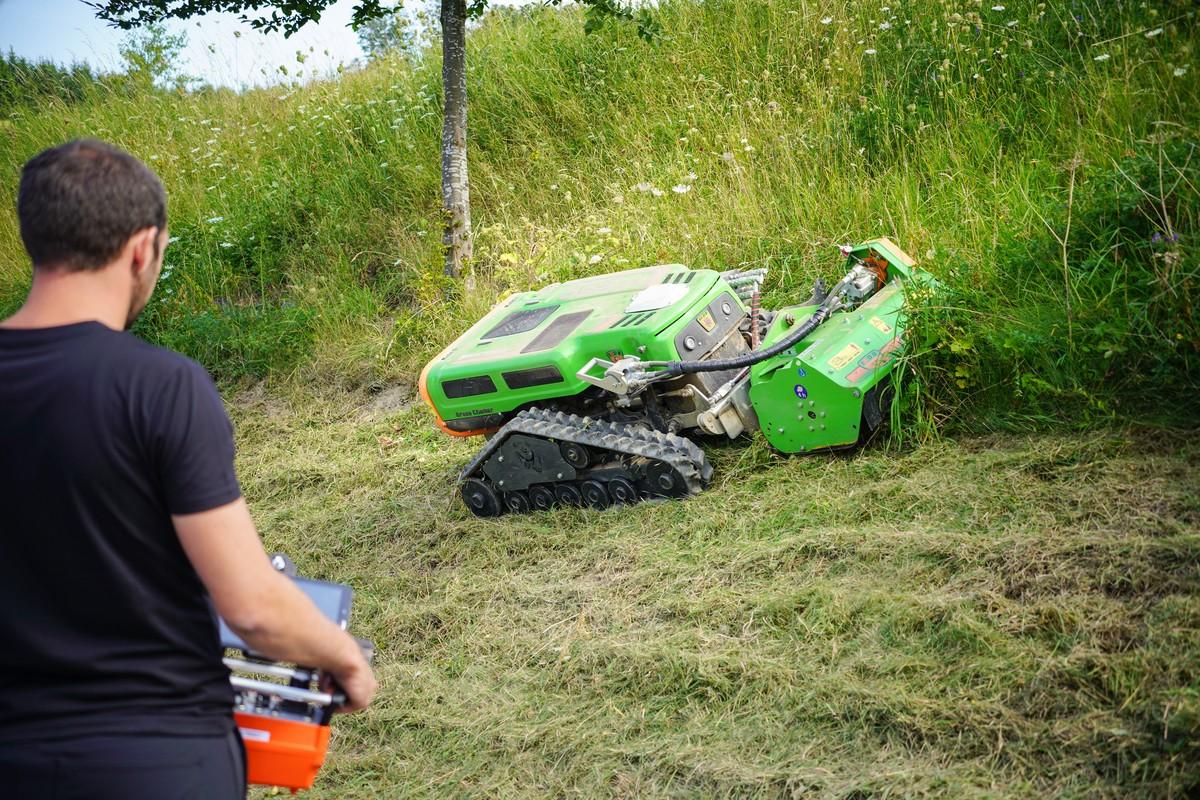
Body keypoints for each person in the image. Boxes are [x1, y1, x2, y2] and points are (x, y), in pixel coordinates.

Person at [0, 139, 376, 799]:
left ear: (36, 239)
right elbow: (252, 608)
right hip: (155, 758)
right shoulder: (160, 387)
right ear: (142, 248)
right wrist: (345, 658)